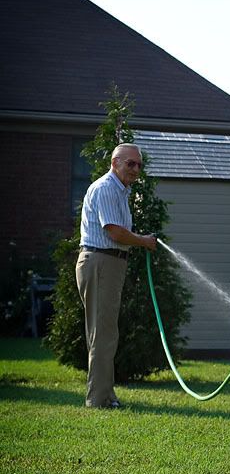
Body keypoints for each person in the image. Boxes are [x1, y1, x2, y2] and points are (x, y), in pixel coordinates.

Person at [76, 143, 157, 409]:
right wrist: (143, 241)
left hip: (108, 263)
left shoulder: (121, 191)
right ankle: (98, 400)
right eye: (130, 163)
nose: (135, 169)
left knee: (105, 332)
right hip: (101, 261)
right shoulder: (107, 188)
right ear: (114, 163)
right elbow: (114, 231)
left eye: (139, 165)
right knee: (103, 333)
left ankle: (105, 395)